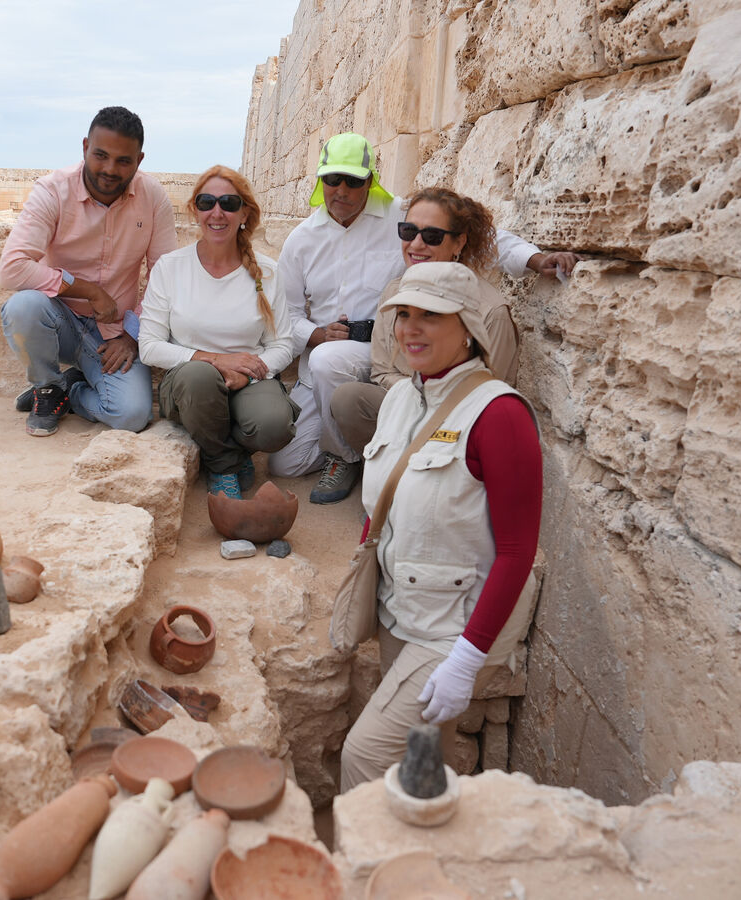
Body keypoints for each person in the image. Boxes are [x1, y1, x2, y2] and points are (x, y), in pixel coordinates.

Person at [269, 132, 574, 504]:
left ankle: (348, 457)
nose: (342, 190)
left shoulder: (401, 217)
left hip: (401, 351)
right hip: (342, 363)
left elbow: (482, 237)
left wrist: (533, 258)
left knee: (336, 367)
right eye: (333, 179)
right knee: (287, 461)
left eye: (353, 180)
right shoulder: (302, 240)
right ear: (321, 181)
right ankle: (364, 448)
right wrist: (316, 333)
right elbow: (287, 316)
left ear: (371, 180)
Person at [339, 261, 542, 791]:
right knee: (422, 755)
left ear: (468, 327)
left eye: (430, 315)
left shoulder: (499, 415)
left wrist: (467, 659)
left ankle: (363, 869)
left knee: (363, 757)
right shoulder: (404, 397)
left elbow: (518, 550)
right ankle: (426, 854)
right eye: (403, 314)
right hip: (400, 610)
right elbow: (383, 501)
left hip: (451, 630)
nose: (410, 328)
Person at [0, 106, 177, 437]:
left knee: (132, 415)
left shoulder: (153, 198)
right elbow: (11, 269)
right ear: (84, 148)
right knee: (23, 307)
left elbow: (165, 277)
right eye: (101, 155)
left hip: (113, 333)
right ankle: (47, 388)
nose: (110, 169)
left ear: (139, 160)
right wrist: (89, 291)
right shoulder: (53, 190)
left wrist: (132, 336)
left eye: (124, 160)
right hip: (58, 322)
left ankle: (71, 391)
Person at [330, 187, 543, 454]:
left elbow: (487, 398)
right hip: (404, 401)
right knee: (348, 399)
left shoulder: (490, 312)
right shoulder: (394, 293)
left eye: (432, 236)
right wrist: (416, 398)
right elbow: (382, 371)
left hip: (458, 423)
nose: (416, 245)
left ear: (459, 243)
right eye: (408, 232)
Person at [138, 165, 297, 499]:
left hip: (246, 379)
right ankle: (224, 464)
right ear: (195, 210)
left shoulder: (267, 272)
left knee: (273, 427)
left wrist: (251, 375)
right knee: (199, 377)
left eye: (229, 203)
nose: (217, 212)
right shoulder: (171, 267)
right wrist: (217, 360)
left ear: (244, 213)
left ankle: (224, 447)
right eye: (207, 201)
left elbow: (282, 344)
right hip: (190, 383)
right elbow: (149, 347)